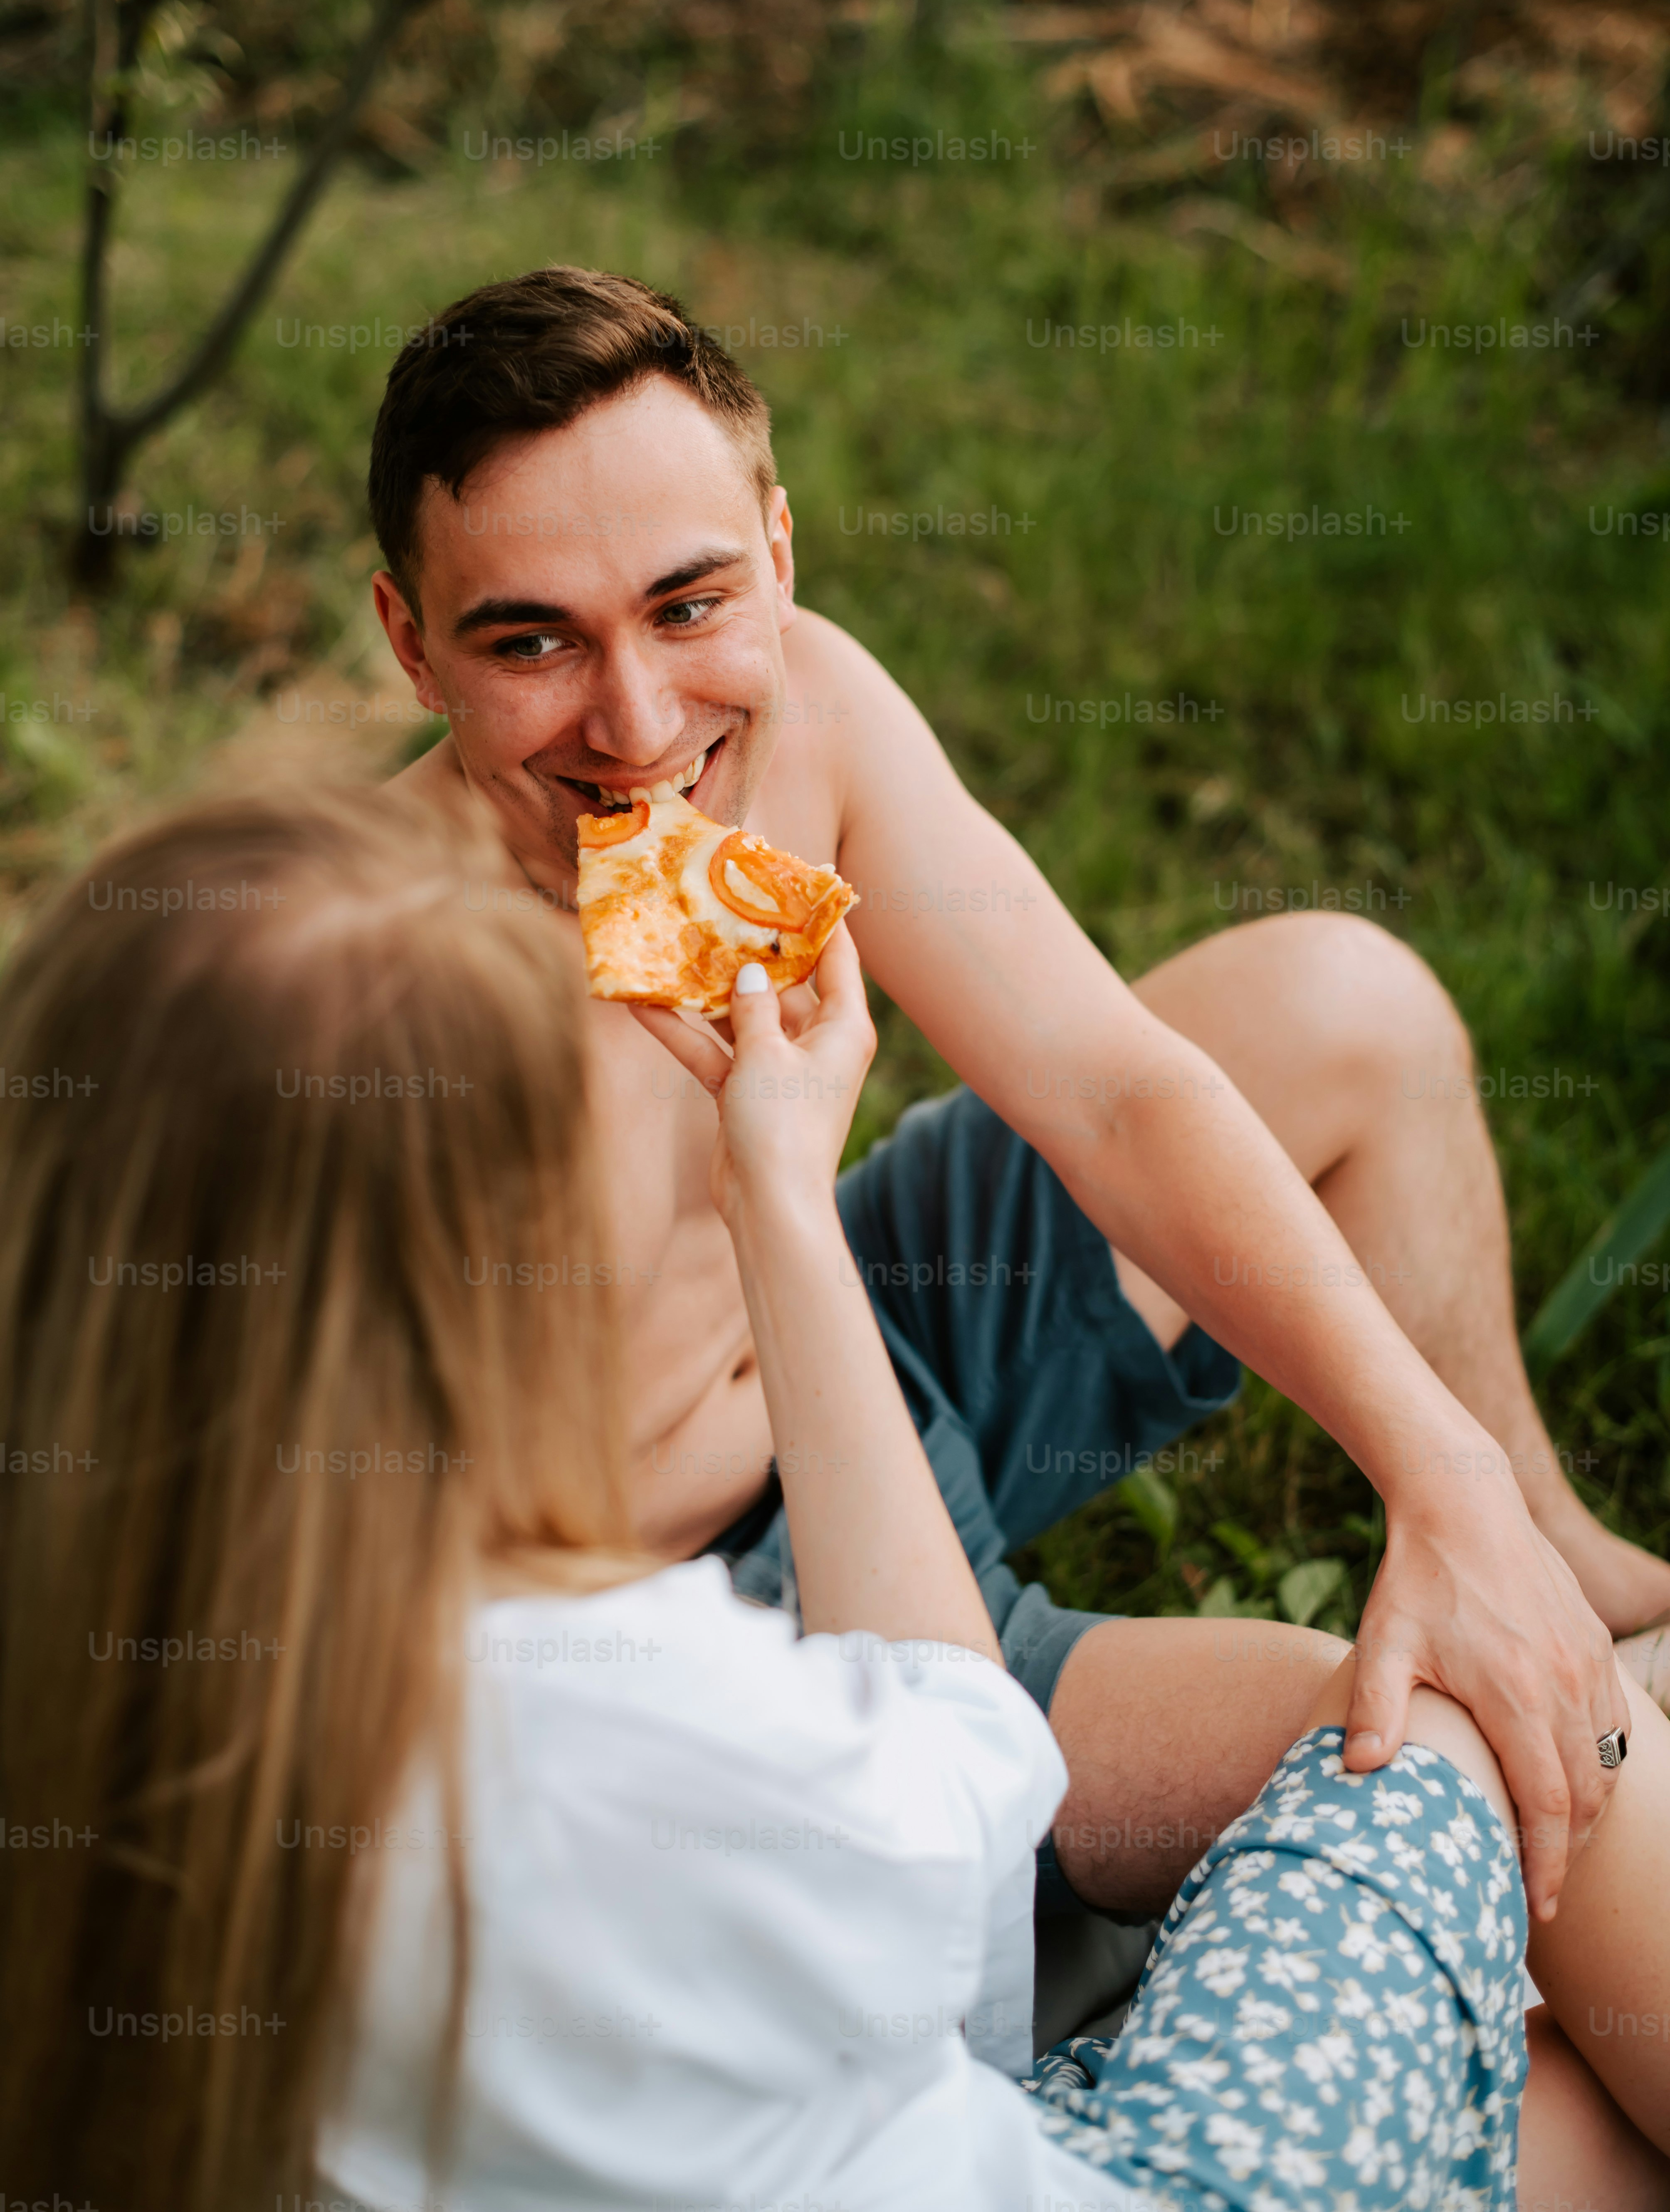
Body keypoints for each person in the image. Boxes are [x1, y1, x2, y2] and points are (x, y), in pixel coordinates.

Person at [0, 786, 1665, 2212]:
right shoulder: (628, 1706)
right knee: (1469, 1692)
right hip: (1104, 2167)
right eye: (632, 1225)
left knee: (1564, 2128)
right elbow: (963, 1807)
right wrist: (785, 1206)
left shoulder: (128, 1702)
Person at [367, 266, 1669, 1939]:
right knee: (1457, 1750)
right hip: (737, 1607)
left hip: (865, 1314)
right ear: (412, 643)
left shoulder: (805, 709)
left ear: (778, 548)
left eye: (686, 605)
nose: (637, 725)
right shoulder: (364, 987)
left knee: (1346, 1005)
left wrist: (1442, 1476)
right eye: (531, 640)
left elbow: (1112, 1090)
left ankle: (1545, 1550)